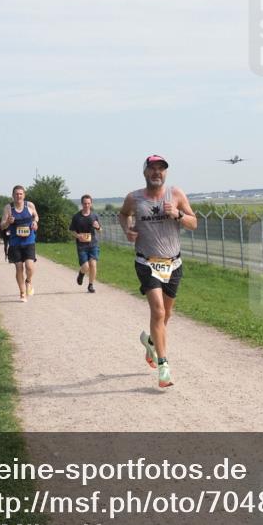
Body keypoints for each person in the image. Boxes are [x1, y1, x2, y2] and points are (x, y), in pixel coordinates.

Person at [118, 155, 196, 388]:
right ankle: (163, 365)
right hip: (146, 262)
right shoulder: (134, 198)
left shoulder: (177, 195)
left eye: (161, 169)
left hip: (173, 264)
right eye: (152, 169)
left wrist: (179, 215)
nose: (157, 173)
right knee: (159, 312)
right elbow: (123, 215)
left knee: (166, 314)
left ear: (165, 174)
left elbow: (194, 222)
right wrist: (127, 230)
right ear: (145, 173)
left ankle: (151, 342)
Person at [0, 185, 39, 302]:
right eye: (16, 194)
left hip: (29, 241)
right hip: (15, 242)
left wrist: (35, 222)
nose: (19, 196)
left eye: (21, 194)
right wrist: (8, 221)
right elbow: (2, 225)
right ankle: (22, 293)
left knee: (29, 266)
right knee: (19, 268)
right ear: (13, 195)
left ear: (24, 195)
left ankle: (29, 281)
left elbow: (36, 216)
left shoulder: (30, 205)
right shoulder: (8, 208)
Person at [69, 194, 101, 293]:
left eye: (88, 203)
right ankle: (81, 274)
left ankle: (90, 285)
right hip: (81, 245)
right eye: (84, 203)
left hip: (93, 244)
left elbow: (100, 230)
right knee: (86, 266)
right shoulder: (76, 217)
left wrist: (98, 227)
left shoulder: (94, 215)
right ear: (81, 204)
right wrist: (78, 236)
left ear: (91, 204)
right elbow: (72, 231)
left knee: (93, 264)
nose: (86, 205)